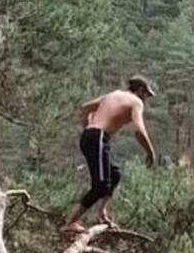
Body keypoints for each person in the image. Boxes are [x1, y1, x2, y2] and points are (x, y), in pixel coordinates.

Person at [60, 75, 157, 233]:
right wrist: (150, 152)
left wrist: (87, 127)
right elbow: (139, 130)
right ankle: (71, 223)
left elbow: (84, 108)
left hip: (91, 137)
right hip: (98, 137)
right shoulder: (136, 102)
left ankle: (102, 213)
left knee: (114, 174)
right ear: (140, 91)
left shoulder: (113, 95)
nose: (147, 99)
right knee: (100, 185)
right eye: (147, 95)